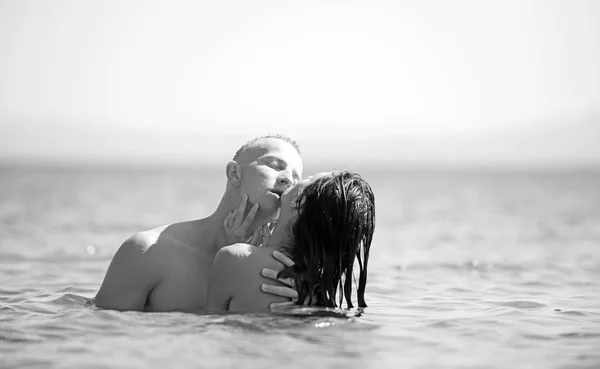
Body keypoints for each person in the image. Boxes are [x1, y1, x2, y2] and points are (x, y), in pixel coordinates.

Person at [94, 134, 303, 312]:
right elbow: (106, 336)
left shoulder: (290, 271)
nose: (288, 180)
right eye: (275, 166)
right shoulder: (147, 251)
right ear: (234, 173)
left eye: (296, 177)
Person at [205, 170, 375, 313]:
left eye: (308, 179)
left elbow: (210, 323)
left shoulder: (233, 258)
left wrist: (233, 248)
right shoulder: (316, 290)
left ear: (299, 202)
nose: (295, 180)